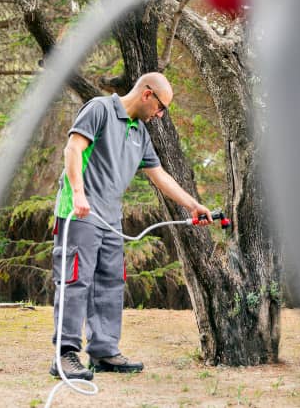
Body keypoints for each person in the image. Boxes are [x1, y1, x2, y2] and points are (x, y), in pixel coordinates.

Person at [50, 72, 213, 380]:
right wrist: (79, 194)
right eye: (162, 107)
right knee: (75, 281)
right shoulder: (99, 109)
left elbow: (159, 175)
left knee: (110, 282)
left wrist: (193, 204)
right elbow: (73, 149)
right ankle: (65, 355)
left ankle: (103, 352)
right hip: (80, 212)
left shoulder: (140, 133)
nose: (161, 115)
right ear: (147, 94)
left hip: (111, 219)